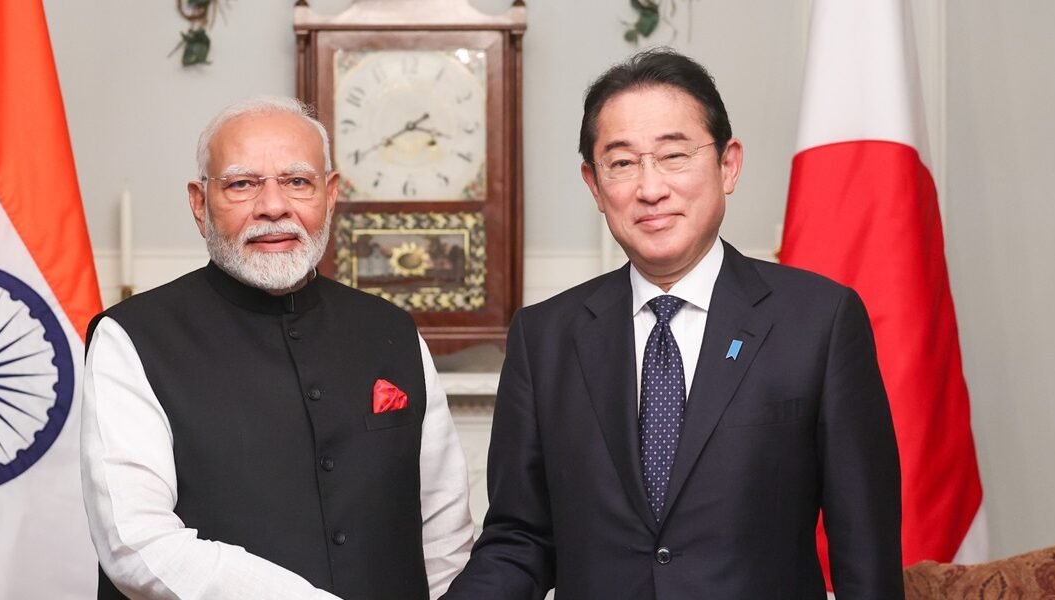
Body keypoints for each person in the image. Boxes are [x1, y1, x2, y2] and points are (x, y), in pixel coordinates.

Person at [444, 49, 903, 599]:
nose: (650, 188)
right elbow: (520, 539)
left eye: (674, 156)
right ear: (594, 184)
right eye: (622, 163)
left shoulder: (819, 322)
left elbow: (866, 554)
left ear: (728, 165)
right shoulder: (544, 338)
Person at [80, 95, 474, 600]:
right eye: (242, 184)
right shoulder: (130, 338)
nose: (273, 206)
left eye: (297, 181)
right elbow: (133, 541)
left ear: (330, 195)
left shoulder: (392, 330)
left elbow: (443, 531)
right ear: (200, 203)